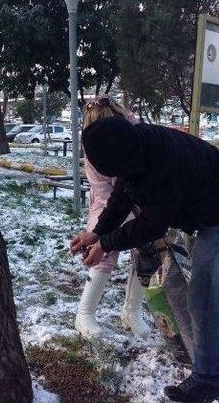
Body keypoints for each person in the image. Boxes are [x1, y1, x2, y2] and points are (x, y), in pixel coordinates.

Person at [70, 117, 219, 403]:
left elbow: (152, 225)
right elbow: (122, 195)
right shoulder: (134, 144)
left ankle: (209, 380)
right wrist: (96, 233)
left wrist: (106, 244)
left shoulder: (163, 164)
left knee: (204, 298)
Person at [75, 96, 150, 338]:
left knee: (147, 250)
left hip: (142, 197)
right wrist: (107, 234)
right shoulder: (91, 149)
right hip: (107, 200)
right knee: (102, 249)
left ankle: (132, 311)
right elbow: (106, 194)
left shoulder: (137, 135)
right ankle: (84, 314)